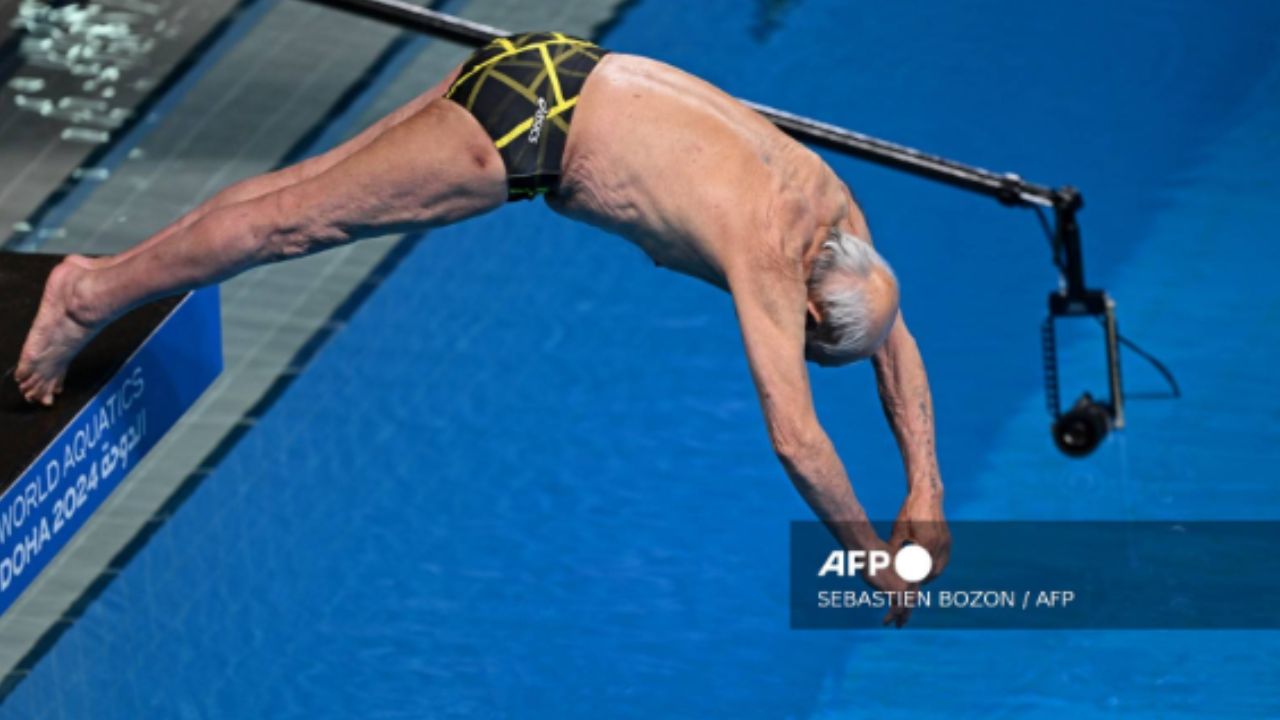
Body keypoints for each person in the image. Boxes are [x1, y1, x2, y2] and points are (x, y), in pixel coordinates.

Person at [14, 32, 948, 624]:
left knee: (292, 199)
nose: (804, 346)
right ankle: (87, 296)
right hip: (529, 133)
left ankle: (101, 283)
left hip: (553, 62)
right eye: (813, 343)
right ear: (811, 306)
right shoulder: (771, 261)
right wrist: (869, 556)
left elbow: (893, 342)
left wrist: (927, 488)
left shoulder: (839, 216)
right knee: (292, 224)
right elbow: (796, 438)